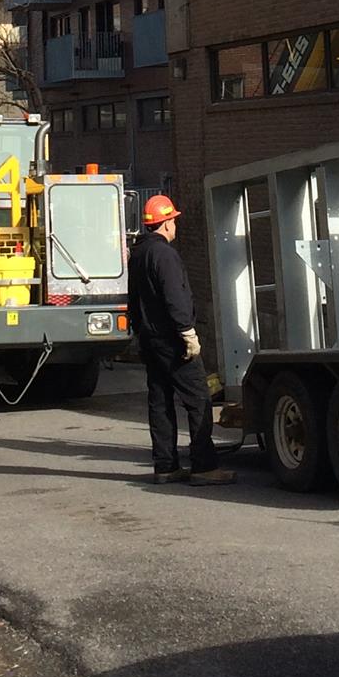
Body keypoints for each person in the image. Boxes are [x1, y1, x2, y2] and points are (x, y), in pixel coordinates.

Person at [126, 194, 234, 486]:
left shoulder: (138, 254)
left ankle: (165, 466)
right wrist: (187, 333)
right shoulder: (165, 255)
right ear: (166, 223)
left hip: (150, 340)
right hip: (172, 341)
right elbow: (175, 296)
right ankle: (204, 466)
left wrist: (139, 333)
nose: (175, 225)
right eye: (173, 220)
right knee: (198, 399)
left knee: (160, 402)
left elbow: (134, 300)